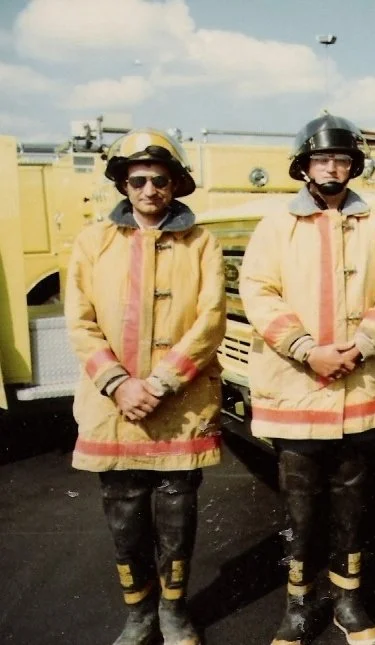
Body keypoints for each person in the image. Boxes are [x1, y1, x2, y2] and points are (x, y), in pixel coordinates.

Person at [238, 113, 375, 645]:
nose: (331, 167)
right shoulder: (275, 227)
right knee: (300, 503)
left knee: (354, 499)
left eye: (340, 158)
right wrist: (307, 351)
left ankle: (350, 602)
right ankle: (298, 604)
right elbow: (259, 292)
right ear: (304, 166)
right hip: (297, 387)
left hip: (362, 388)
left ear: (353, 165)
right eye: (321, 158)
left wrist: (359, 347)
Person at [65, 128, 226, 645]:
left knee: (177, 513)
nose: (150, 190)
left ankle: (175, 611)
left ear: (176, 184)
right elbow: (80, 322)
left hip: (180, 404)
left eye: (161, 180)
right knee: (125, 514)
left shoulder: (202, 242)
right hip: (113, 407)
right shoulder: (92, 243)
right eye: (138, 180)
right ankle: (138, 613)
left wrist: (160, 381)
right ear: (123, 185)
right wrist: (118, 385)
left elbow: (211, 319)